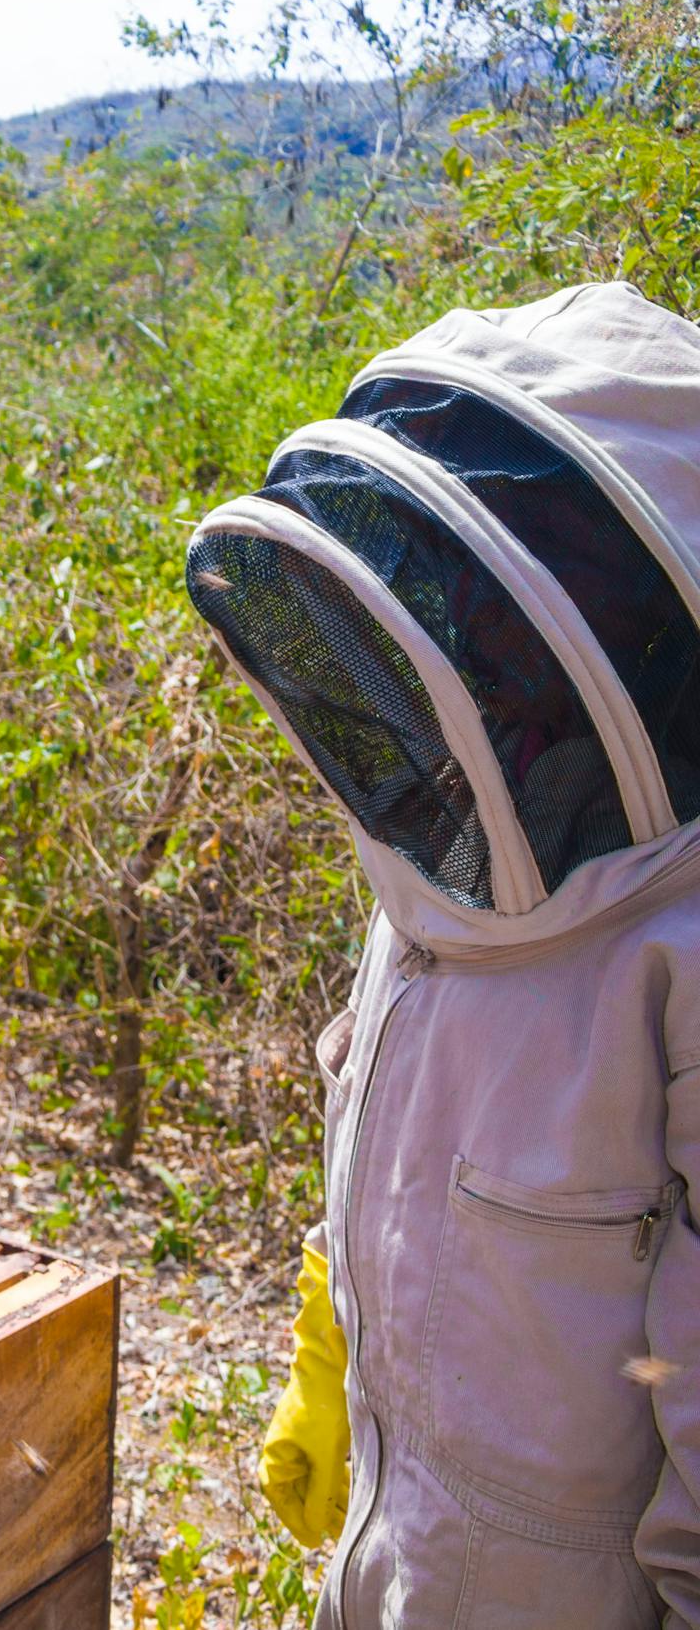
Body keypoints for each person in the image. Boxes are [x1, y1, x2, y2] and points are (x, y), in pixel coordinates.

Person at [186, 280, 700, 1626]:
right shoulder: (446, 855)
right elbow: (386, 1124)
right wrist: (326, 1328)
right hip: (397, 1551)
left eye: (504, 635)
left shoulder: (677, 960)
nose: (476, 679)